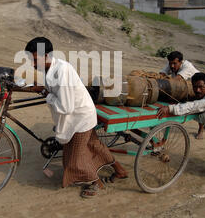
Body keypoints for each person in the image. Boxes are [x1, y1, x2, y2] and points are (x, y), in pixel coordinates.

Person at [24, 37, 128, 198]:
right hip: (80, 115)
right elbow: (55, 90)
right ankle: (120, 170)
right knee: (95, 145)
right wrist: (41, 88)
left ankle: (96, 183)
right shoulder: (50, 69)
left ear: (46, 56)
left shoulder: (62, 71)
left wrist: (46, 93)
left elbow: (65, 106)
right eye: (30, 59)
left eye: (34, 59)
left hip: (80, 119)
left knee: (75, 159)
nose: (32, 64)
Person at [159, 51, 205, 139]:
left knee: (200, 109)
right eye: (170, 63)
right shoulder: (170, 64)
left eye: (175, 63)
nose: (172, 66)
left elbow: (177, 79)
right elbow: (162, 74)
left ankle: (201, 129)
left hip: (197, 89)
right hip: (183, 89)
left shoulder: (187, 66)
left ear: (181, 62)